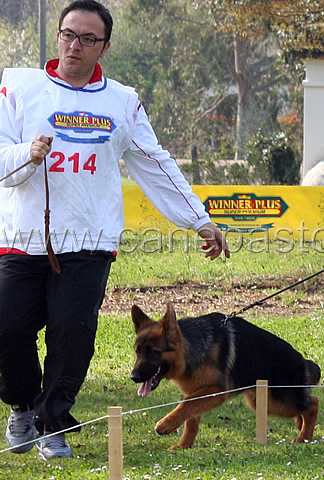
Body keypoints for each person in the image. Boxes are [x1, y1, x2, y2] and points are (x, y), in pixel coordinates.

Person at [0, 0, 230, 459]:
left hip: (89, 241)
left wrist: (199, 219)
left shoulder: (122, 101)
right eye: (68, 34)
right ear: (58, 36)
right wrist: (27, 152)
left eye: (87, 38)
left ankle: (51, 424)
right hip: (21, 240)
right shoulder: (18, 85)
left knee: (72, 334)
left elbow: (155, 163)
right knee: (7, 330)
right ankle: (23, 406)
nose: (74, 45)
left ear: (104, 45)